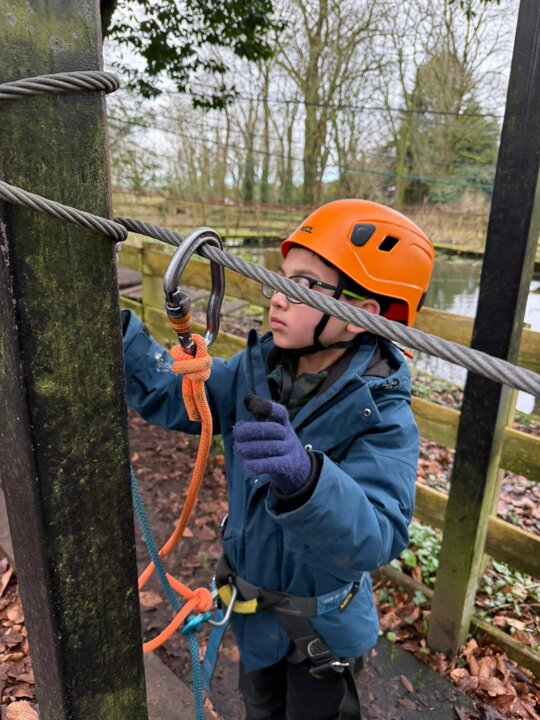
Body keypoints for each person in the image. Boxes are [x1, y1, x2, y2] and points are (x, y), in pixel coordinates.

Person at [122, 199, 434, 720]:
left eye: (306, 286)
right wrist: (120, 335)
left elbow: (378, 534)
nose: (278, 298)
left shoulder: (382, 416)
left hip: (323, 637)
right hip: (256, 621)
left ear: (360, 317)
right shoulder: (256, 371)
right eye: (281, 279)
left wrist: (308, 480)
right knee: (259, 707)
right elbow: (180, 395)